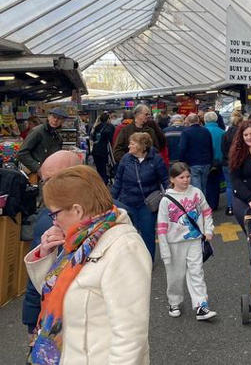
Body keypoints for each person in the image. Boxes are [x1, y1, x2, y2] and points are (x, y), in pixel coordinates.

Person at [26, 166, 151, 364]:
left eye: (55, 214)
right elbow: (57, 295)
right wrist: (45, 255)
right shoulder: (80, 240)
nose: (54, 221)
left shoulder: (124, 248)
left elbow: (130, 336)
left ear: (77, 210)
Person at [20, 151, 83, 350]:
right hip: (53, 326)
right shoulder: (48, 218)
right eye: (44, 181)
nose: (47, 188)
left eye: (52, 180)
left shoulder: (112, 219)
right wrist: (31, 322)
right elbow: (37, 283)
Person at [157, 162, 217, 321]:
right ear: (172, 179)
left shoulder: (196, 192)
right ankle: (174, 302)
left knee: (197, 272)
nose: (185, 180)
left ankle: (201, 305)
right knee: (175, 276)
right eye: (181, 177)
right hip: (173, 243)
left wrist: (208, 230)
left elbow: (207, 211)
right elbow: (161, 227)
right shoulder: (166, 200)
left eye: (188, 176)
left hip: (195, 240)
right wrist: (164, 251)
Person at [111, 132, 170, 260]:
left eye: (132, 144)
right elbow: (118, 181)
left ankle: (148, 260)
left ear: (142, 146)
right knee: (129, 233)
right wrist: (111, 200)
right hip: (127, 202)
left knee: (148, 233)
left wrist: (172, 198)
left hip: (147, 204)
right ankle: (133, 260)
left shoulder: (156, 159)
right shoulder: (126, 159)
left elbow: (165, 179)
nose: (129, 147)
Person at [17, 107, 67, 175]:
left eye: (59, 118)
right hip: (36, 174)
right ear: (49, 117)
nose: (55, 120)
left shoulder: (57, 136)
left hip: (49, 172)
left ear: (63, 121)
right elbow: (22, 153)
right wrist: (37, 168)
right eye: (54, 117)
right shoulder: (38, 131)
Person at [178, 113, 214, 194]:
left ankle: (198, 205)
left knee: (196, 188)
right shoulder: (206, 131)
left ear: (188, 121)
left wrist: (182, 161)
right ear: (198, 120)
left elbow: (182, 148)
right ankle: (203, 203)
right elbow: (210, 146)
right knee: (203, 186)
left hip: (192, 163)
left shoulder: (186, 132)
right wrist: (211, 161)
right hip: (206, 162)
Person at [221, 110, 244, 216]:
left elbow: (223, 149)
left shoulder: (225, 134)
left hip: (227, 163)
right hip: (241, 163)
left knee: (229, 186)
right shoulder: (243, 134)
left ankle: (230, 207)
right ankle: (242, 205)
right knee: (243, 184)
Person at [203, 111, 226, 211]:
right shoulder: (222, 132)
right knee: (216, 183)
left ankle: (208, 204)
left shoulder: (203, 131)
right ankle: (215, 203)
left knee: (207, 183)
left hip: (207, 161)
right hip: (220, 161)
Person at [90, 112, 116, 184]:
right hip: (105, 151)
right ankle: (104, 182)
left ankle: (100, 181)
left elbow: (92, 137)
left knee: (99, 168)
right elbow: (112, 139)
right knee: (105, 168)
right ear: (108, 119)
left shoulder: (97, 126)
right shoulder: (110, 127)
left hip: (95, 150)